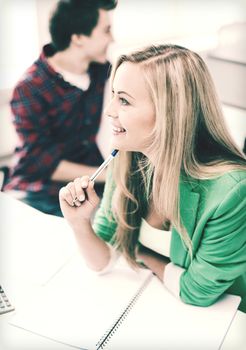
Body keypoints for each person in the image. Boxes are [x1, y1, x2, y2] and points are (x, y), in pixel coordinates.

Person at [59, 44, 246, 312]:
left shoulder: (233, 192)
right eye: (113, 96)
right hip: (161, 302)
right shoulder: (127, 157)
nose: (110, 111)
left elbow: (197, 291)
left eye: (123, 100)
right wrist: (79, 224)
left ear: (170, 113)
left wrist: (140, 254)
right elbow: (102, 261)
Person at [3, 0, 117, 216]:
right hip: (39, 188)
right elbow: (42, 162)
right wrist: (110, 174)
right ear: (78, 38)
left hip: (89, 183)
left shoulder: (102, 71)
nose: (112, 39)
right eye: (106, 31)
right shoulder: (30, 88)